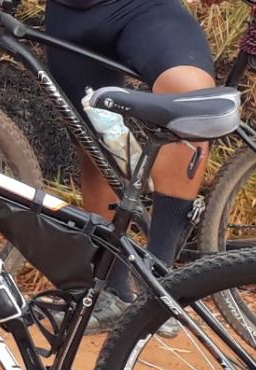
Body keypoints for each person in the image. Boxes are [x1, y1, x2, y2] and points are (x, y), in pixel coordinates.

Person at [44, 0, 217, 333]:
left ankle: (161, 284)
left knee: (190, 102)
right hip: (69, 16)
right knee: (92, 146)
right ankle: (112, 291)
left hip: (143, 9)